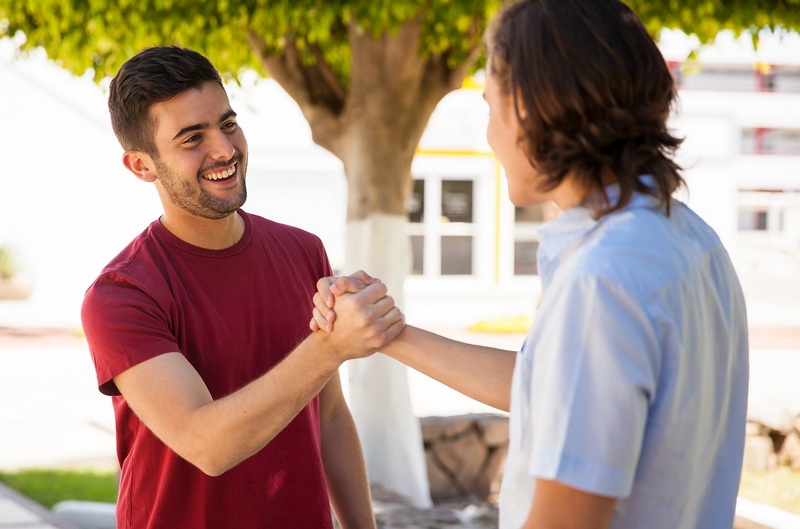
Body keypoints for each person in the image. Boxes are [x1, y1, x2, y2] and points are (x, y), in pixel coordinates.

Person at [310, 1, 749, 528]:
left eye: (491, 107)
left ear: (531, 108)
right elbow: (548, 386)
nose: (489, 136)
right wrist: (388, 332)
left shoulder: (602, 280)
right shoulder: (691, 239)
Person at [80, 46, 403, 529]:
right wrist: (329, 348)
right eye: (192, 138)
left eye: (227, 124)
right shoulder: (122, 293)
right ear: (142, 166)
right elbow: (208, 444)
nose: (224, 150)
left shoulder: (303, 252)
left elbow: (330, 415)